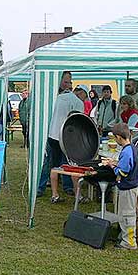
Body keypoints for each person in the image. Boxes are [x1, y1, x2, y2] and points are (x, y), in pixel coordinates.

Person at [47, 71, 84, 203]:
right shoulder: (78, 102)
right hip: (66, 137)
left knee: (55, 165)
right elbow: (78, 122)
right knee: (71, 165)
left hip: (52, 135)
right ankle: (75, 193)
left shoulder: (56, 98)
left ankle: (55, 194)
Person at [105, 123, 138, 250]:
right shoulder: (131, 148)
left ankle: (129, 242)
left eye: (115, 138)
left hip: (128, 187)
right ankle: (125, 236)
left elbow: (123, 172)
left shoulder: (126, 151)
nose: (115, 140)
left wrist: (113, 167)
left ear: (119, 137)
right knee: (124, 214)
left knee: (127, 215)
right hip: (130, 186)